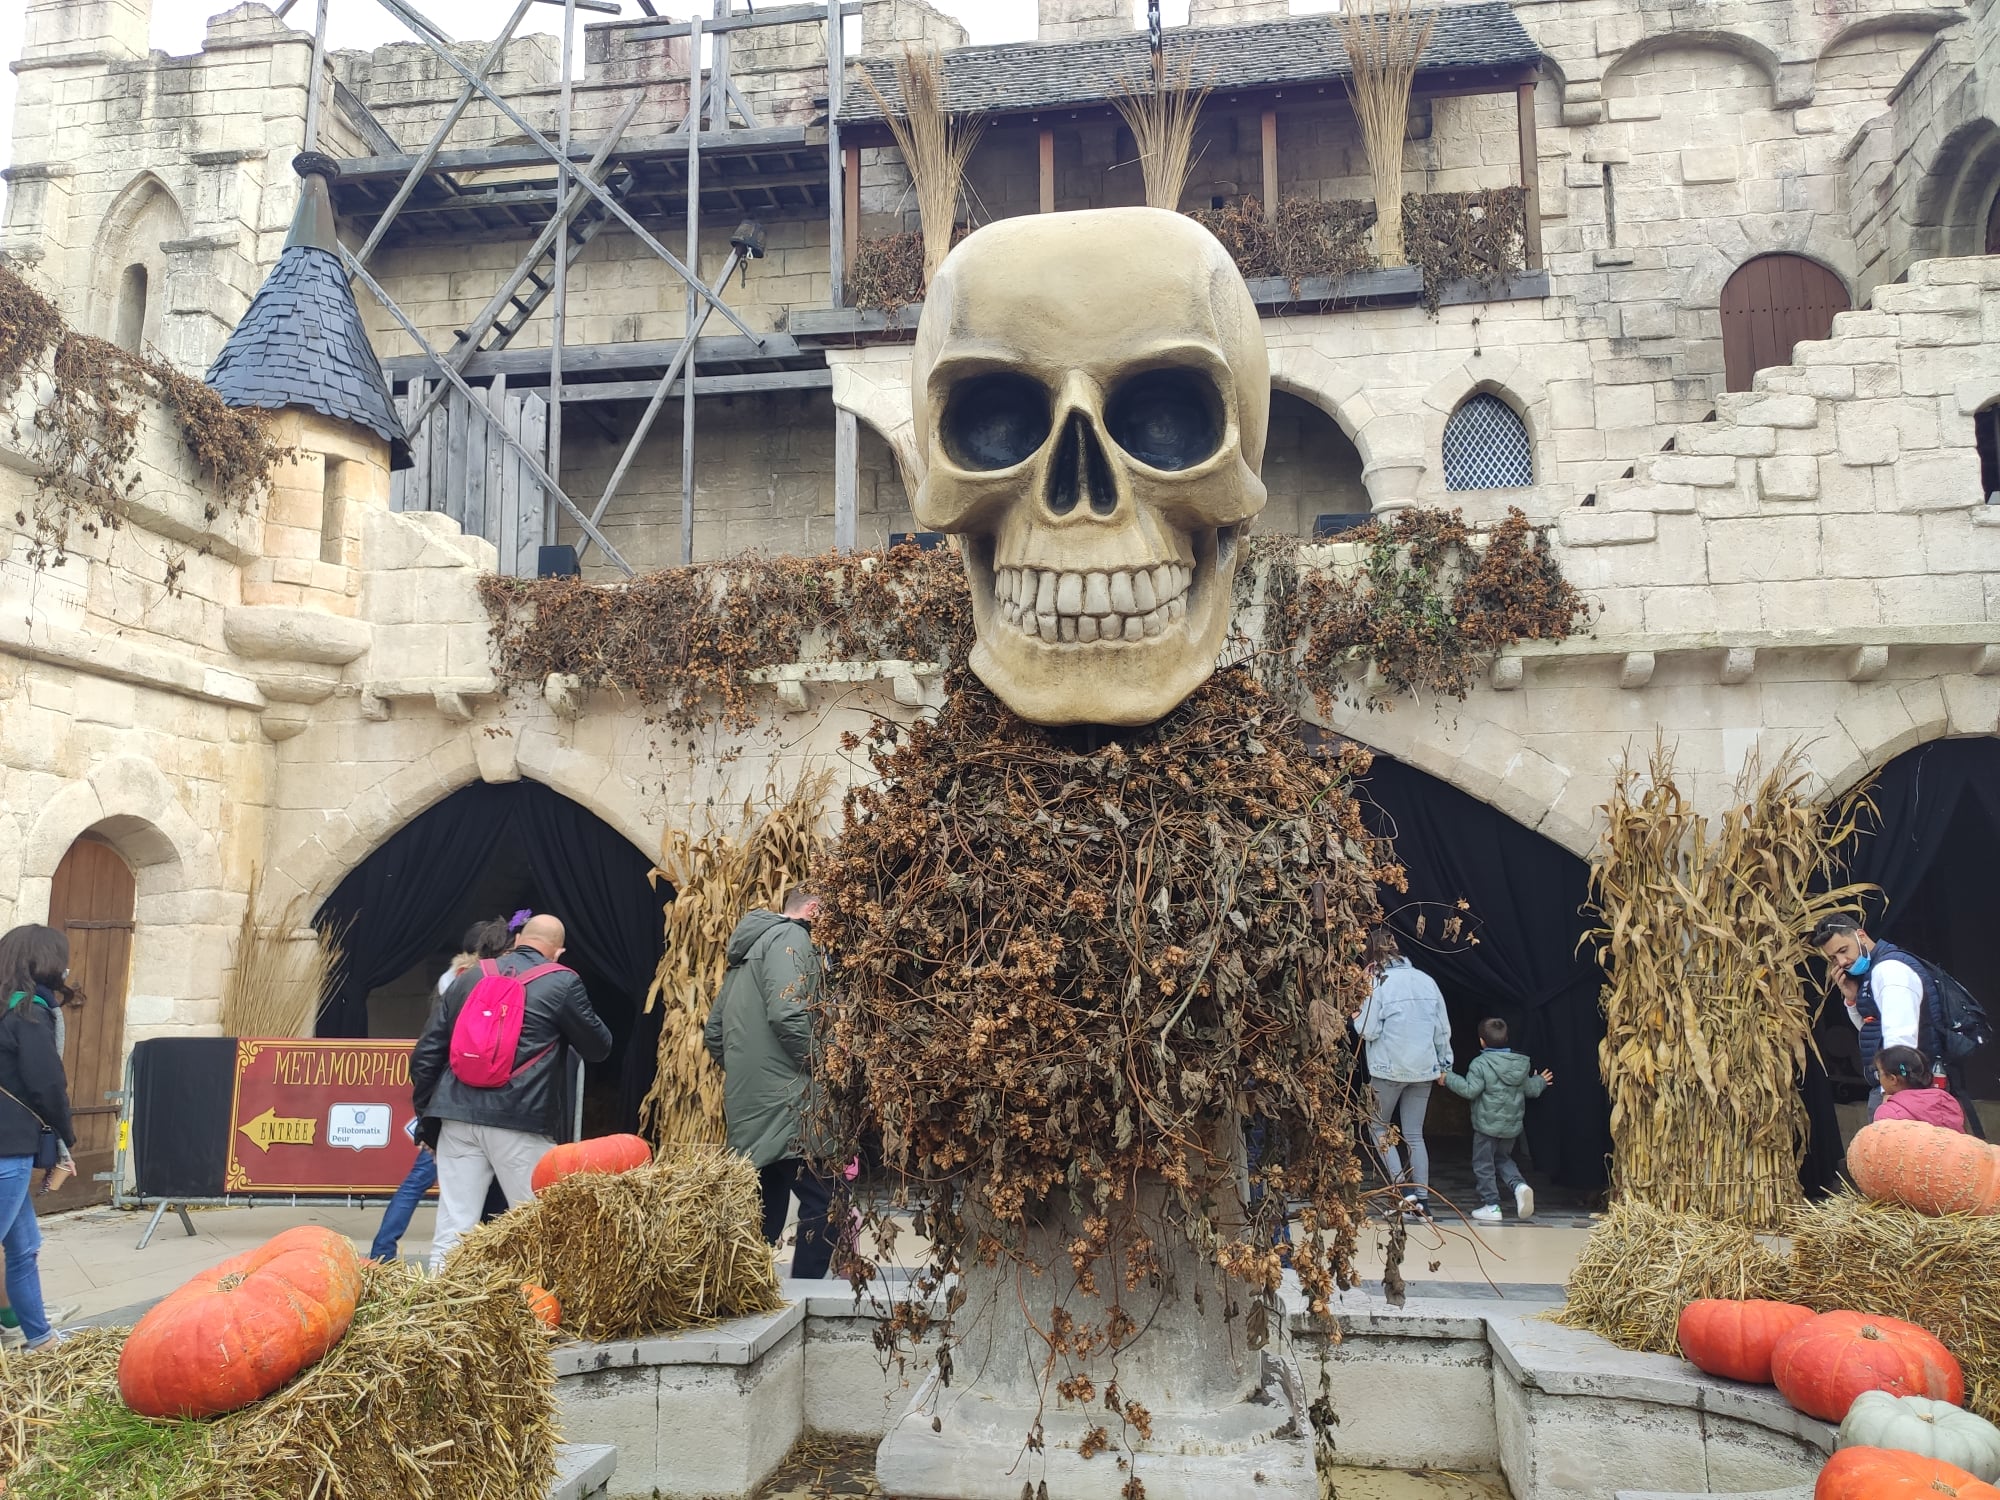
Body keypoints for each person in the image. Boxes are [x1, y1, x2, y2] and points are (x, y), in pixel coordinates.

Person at [410, 913, 612, 1271]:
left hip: (456, 1116)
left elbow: (427, 1052)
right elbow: (598, 1048)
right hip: (520, 1120)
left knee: (454, 1226)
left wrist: (429, 1118)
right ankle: (536, 1307)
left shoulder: (472, 975)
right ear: (558, 951)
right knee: (537, 1222)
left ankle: (437, 1311)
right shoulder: (562, 982)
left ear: (518, 939)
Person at [368, 917, 516, 1263]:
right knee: (423, 1178)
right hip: (459, 1096)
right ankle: (382, 1251)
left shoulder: (451, 980)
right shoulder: (478, 983)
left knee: (440, 1184)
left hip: (447, 1095)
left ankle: (385, 1250)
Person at [704, 888, 835, 1279]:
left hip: (751, 1103)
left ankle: (746, 1294)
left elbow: (714, 1033)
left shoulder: (747, 954)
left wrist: (752, 1075)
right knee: (827, 1202)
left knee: (764, 1211)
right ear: (813, 910)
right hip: (792, 1102)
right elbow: (789, 1014)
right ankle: (808, 1293)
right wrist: (826, 1065)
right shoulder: (793, 938)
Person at [0, 924, 80, 1350]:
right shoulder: (27, 1013)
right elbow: (47, 1085)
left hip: (8, 1145)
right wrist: (67, 1139)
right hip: (6, 1147)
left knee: (24, 1246)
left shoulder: (6, 1008)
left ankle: (39, 1339)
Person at [1354, 928, 1452, 1219]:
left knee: (1378, 1127)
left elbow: (1368, 1031)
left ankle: (1403, 1192)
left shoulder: (1378, 982)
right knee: (1414, 1134)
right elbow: (1442, 1028)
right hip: (1423, 1068)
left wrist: (1355, 1014)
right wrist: (1444, 1063)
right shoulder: (1426, 980)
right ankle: (1423, 1199)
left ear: (1371, 954)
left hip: (1389, 1069)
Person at [1439, 1018, 1553, 1223]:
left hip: (1486, 1126)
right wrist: (1541, 1081)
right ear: (1507, 1038)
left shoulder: (1480, 1064)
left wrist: (1448, 1077)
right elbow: (1530, 1089)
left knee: (1483, 1164)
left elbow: (1469, 1090)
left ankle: (1491, 1205)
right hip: (1511, 1126)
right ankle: (1519, 1186)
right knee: (1503, 1158)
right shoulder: (1520, 1064)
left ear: (1482, 1041)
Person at [1873, 1045, 1967, 1132]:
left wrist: (1887, 1106)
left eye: (1879, 1074)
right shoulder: (1947, 1102)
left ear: (1892, 1079)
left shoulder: (1887, 1113)